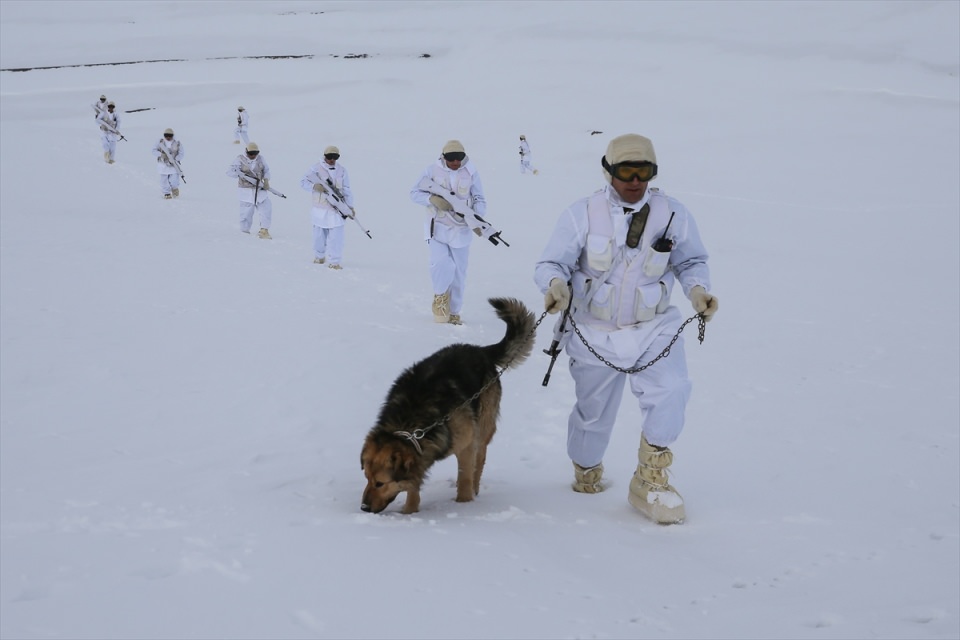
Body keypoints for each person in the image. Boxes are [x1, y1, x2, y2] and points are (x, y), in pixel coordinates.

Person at [533, 133, 719, 524]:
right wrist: (555, 286)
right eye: (625, 171)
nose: (635, 180)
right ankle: (586, 468)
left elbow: (692, 261)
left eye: (644, 171)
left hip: (653, 328)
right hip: (593, 332)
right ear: (608, 171)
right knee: (593, 416)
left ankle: (651, 479)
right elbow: (551, 264)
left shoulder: (673, 215)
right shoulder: (581, 213)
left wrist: (698, 291)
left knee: (671, 389)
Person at [409, 139, 488, 325]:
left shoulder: (471, 172)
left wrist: (476, 218)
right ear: (444, 157)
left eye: (459, 158)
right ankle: (440, 298)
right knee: (439, 264)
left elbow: (479, 198)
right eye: (451, 158)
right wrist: (432, 199)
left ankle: (454, 311)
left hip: (461, 230)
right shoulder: (431, 170)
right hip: (436, 228)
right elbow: (414, 193)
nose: (455, 162)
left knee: (459, 272)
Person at [299, 145, 354, 270]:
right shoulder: (315, 169)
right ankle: (319, 257)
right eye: (329, 157)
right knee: (318, 236)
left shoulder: (342, 171)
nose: (332, 160)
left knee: (337, 238)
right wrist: (314, 186)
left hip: (336, 210)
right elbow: (303, 182)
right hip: (319, 210)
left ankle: (335, 261)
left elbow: (347, 190)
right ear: (325, 156)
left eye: (335, 157)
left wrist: (350, 207)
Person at [226, 142, 272, 239]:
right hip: (245, 191)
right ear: (246, 152)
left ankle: (264, 230)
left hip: (259, 189)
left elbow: (266, 170)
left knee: (265, 209)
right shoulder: (240, 159)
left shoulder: (260, 159)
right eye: (251, 154)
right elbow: (230, 172)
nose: (253, 156)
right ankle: (244, 232)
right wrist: (240, 174)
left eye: (255, 153)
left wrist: (266, 180)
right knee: (246, 213)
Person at [151, 128, 184, 199]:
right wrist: (161, 155)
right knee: (164, 181)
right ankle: (167, 193)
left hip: (173, 165)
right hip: (163, 165)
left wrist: (176, 159)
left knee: (174, 180)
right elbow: (153, 150)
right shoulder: (160, 142)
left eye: (170, 135)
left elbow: (181, 153)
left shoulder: (177, 143)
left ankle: (175, 188)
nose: (168, 137)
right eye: (166, 135)